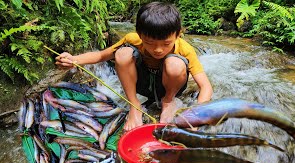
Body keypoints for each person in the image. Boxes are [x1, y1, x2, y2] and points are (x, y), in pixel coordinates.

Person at [55, 2, 213, 131]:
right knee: (122, 54)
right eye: (150, 43)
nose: (158, 50)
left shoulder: (185, 49)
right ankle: (134, 105)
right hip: (142, 85)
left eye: (166, 44)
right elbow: (101, 56)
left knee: (175, 64)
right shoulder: (132, 39)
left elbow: (205, 86)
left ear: (178, 35)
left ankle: (168, 102)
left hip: (168, 87)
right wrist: (74, 59)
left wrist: (196, 115)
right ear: (139, 34)